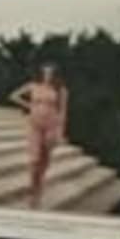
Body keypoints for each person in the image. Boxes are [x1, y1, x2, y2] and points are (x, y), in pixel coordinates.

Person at [20, 62, 71, 209]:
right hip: (34, 124)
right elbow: (14, 96)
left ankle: (38, 192)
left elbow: (63, 112)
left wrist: (60, 131)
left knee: (44, 161)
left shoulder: (61, 90)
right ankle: (32, 188)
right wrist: (30, 106)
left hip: (51, 126)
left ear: (55, 74)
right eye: (45, 72)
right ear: (41, 73)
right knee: (34, 159)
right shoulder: (33, 86)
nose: (47, 75)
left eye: (50, 73)